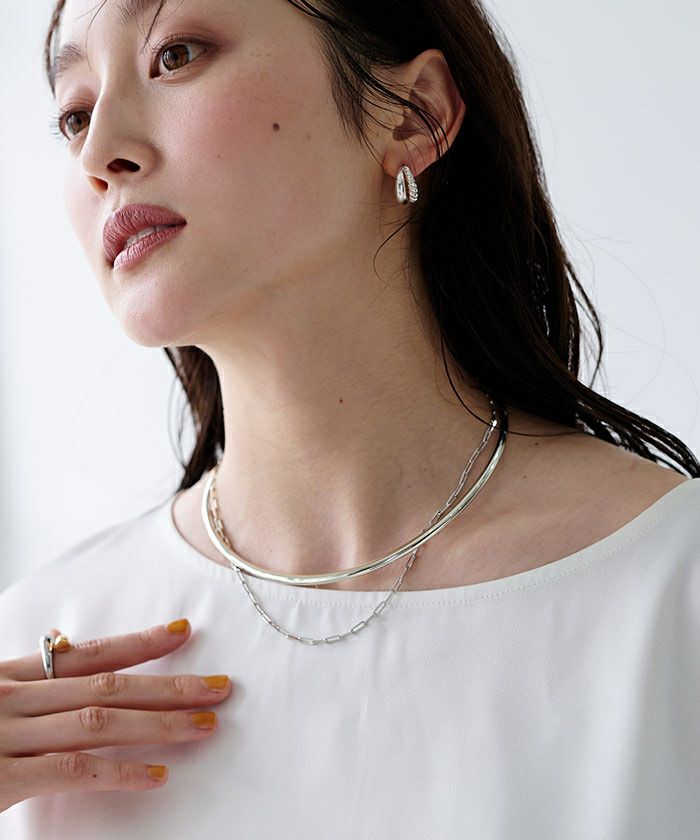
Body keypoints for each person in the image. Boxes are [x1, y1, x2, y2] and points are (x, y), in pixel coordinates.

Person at [0, 0, 698, 836]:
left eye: (176, 55)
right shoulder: (44, 652)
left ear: (413, 114)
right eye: (74, 114)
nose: (98, 154)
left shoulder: (673, 591)